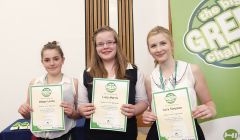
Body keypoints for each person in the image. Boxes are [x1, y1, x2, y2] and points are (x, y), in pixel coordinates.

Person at [142, 26, 217, 140]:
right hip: (160, 135)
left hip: (190, 133)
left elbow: (209, 103)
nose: (158, 49)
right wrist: (147, 115)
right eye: (153, 46)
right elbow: (153, 111)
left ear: (171, 44)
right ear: (149, 50)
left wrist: (210, 110)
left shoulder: (192, 70)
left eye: (163, 43)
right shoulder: (149, 79)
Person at [78, 26, 148, 140]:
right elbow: (81, 104)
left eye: (109, 42)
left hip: (126, 134)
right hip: (94, 135)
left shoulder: (134, 71)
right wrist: (82, 110)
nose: (105, 47)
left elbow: (143, 101)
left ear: (117, 44)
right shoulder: (86, 74)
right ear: (95, 47)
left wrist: (135, 110)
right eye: (100, 44)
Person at [18, 41, 80, 140]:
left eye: (56, 59)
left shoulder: (74, 83)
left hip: (64, 137)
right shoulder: (34, 83)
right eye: (47, 60)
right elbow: (29, 115)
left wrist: (73, 113)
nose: (52, 63)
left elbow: (79, 115)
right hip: (38, 137)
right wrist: (24, 112)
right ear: (42, 62)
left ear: (62, 60)